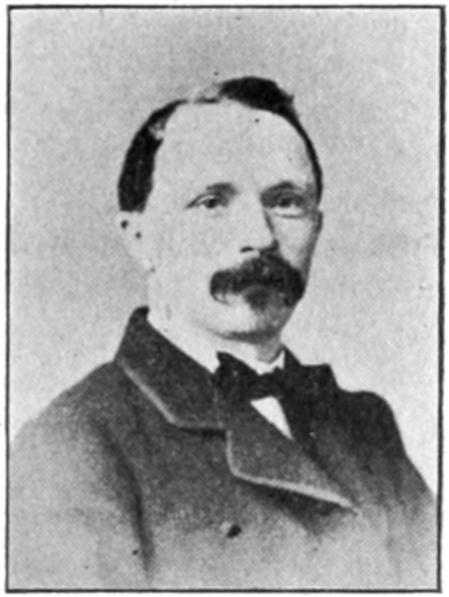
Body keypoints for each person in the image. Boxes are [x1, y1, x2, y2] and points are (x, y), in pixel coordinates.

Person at [10, 76, 436, 590]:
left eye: (286, 201)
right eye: (212, 202)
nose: (260, 237)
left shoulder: (367, 426)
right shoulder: (73, 445)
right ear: (139, 237)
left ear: (317, 227)